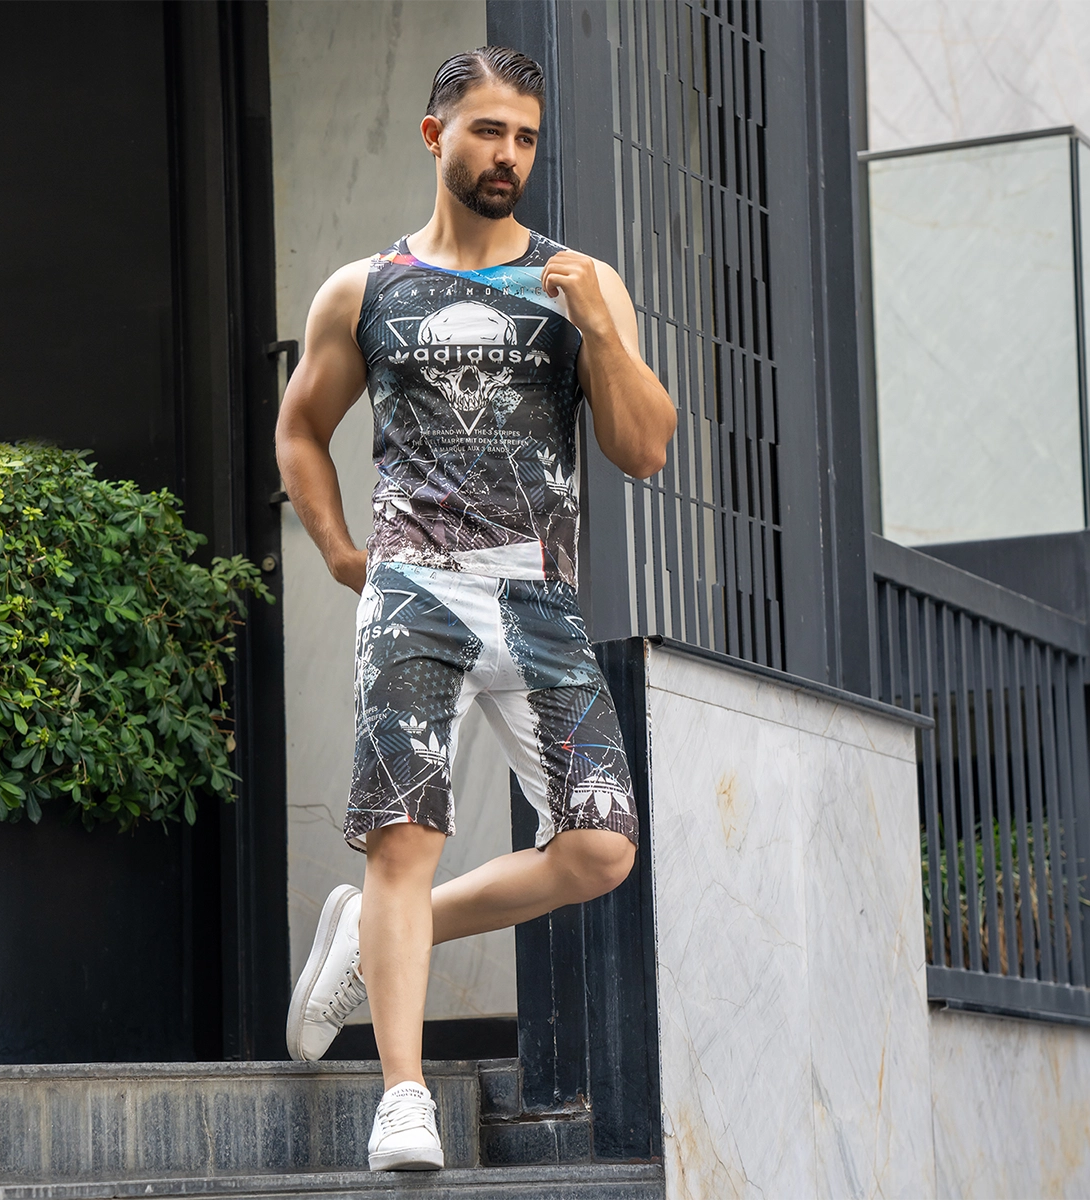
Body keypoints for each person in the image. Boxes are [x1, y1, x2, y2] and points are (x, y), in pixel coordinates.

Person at [274, 45, 676, 1173]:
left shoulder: (578, 282)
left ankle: (372, 939)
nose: (509, 155)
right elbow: (301, 426)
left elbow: (644, 449)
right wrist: (341, 552)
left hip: (539, 596)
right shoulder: (365, 288)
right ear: (434, 135)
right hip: (416, 591)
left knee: (599, 848)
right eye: (489, 130)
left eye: (526, 137)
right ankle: (404, 1098)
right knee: (407, 838)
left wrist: (602, 329)